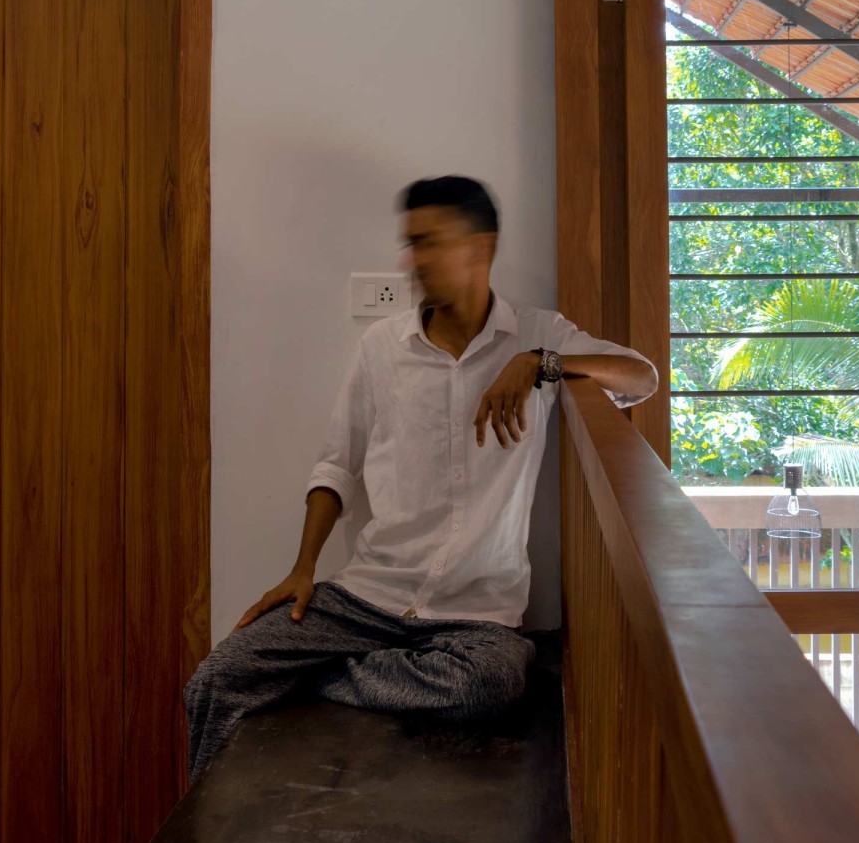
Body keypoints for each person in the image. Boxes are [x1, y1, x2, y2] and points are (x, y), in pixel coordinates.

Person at [183, 175, 658, 781]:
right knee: (216, 680)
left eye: (430, 242)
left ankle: (322, 674)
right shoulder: (383, 347)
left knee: (492, 684)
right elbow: (336, 464)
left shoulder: (539, 335)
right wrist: (303, 567)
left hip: (476, 613)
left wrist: (544, 363)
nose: (414, 261)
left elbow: (642, 378)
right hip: (365, 598)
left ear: (479, 247)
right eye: (410, 243)